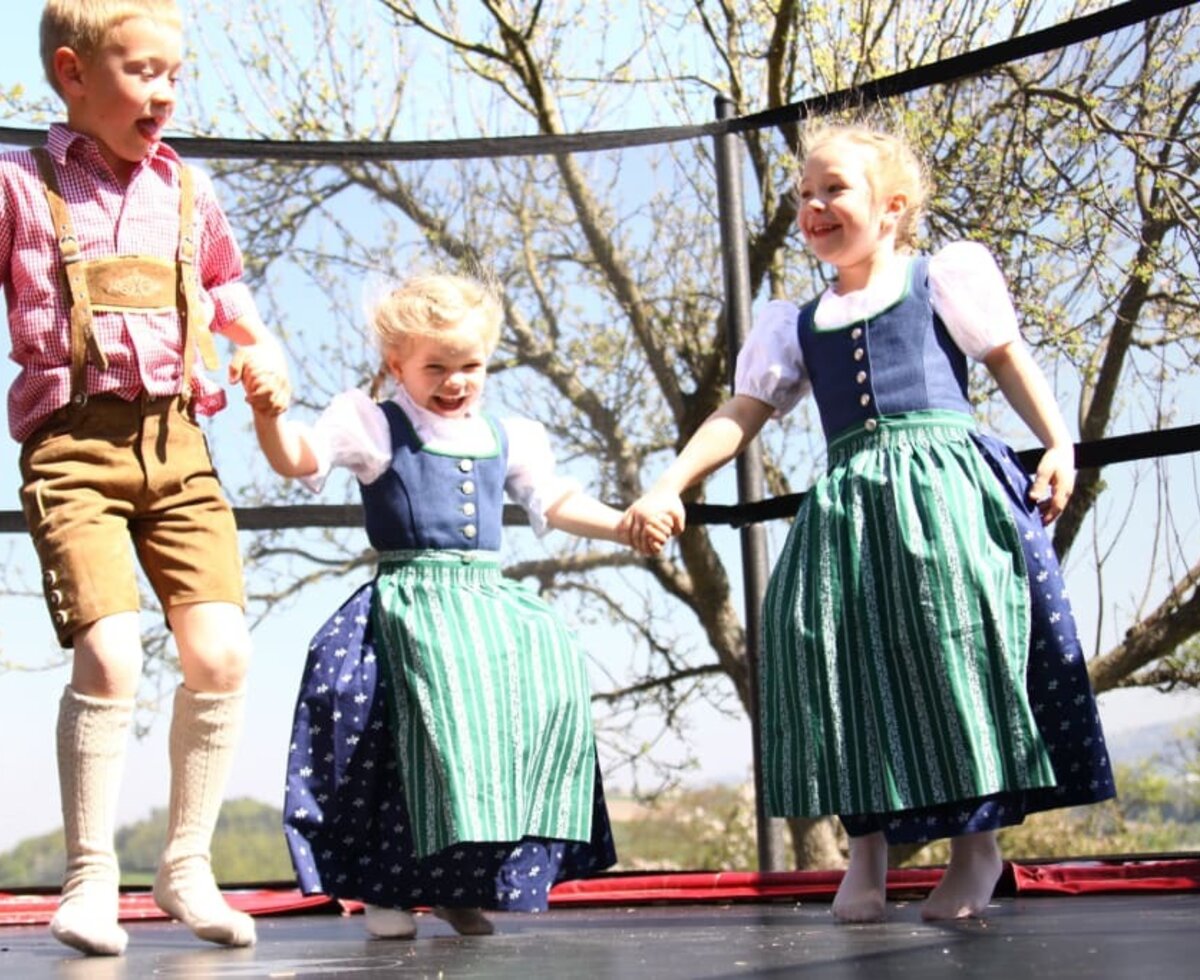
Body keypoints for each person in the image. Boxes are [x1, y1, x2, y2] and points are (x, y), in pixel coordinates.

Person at [625, 120, 1114, 922]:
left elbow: (1006, 358)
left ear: (890, 208)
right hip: (853, 500)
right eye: (804, 193)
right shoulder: (797, 321)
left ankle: (976, 846)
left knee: (954, 649)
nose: (813, 205)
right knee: (835, 656)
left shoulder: (941, 278)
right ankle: (868, 851)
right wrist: (671, 481)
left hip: (944, 488)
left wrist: (1059, 442)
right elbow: (742, 411)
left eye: (833, 190)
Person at [243, 271, 669, 939]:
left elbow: (552, 500)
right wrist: (270, 416)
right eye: (435, 366)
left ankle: (462, 880)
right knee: (394, 737)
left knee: (507, 720)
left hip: (481, 605)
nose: (455, 381)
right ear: (397, 365)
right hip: (409, 604)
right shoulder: (375, 425)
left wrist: (621, 525)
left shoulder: (508, 435)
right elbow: (298, 460)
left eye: (470, 365)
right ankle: (387, 890)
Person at [0, 0, 290, 957]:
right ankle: (89, 878)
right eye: (142, 72)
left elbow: (225, 291)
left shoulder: (188, 191)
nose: (164, 92)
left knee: (222, 652)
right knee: (113, 652)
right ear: (75, 74)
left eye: (175, 72)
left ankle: (185, 866)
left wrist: (261, 349)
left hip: (178, 446)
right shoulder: (19, 185)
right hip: (73, 447)